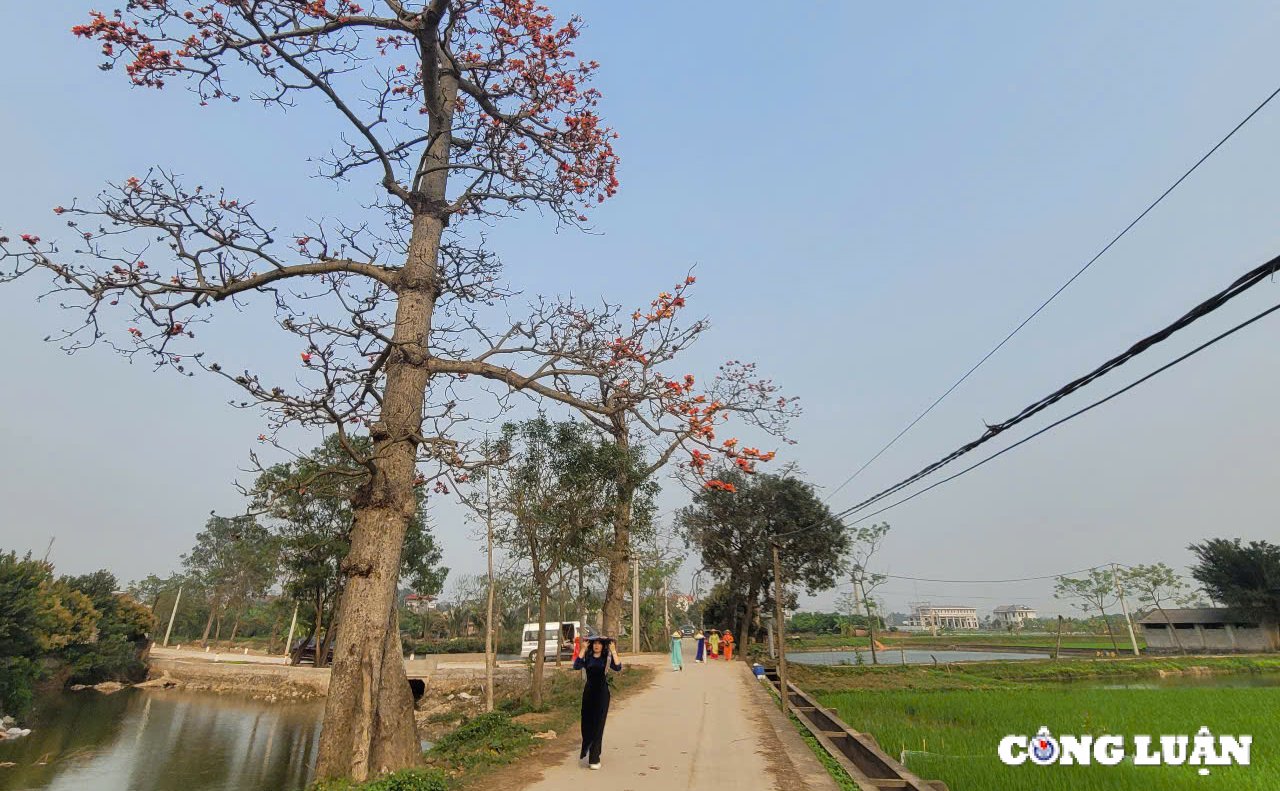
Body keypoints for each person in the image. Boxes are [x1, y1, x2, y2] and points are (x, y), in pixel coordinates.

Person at [573, 636, 622, 769]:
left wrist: (613, 651)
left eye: (600, 644)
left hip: (602, 695)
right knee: (587, 724)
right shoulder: (587, 657)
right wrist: (582, 649)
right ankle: (588, 749)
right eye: (595, 643)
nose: (597, 646)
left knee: (598, 725)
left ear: (603, 646)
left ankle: (594, 758)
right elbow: (576, 666)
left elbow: (618, 667)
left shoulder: (607, 658)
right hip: (588, 694)